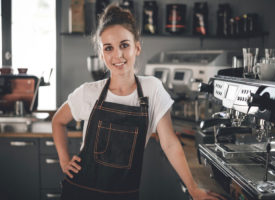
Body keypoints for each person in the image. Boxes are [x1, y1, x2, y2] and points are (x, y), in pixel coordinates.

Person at [52, 3, 226, 200]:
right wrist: (64, 160)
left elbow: (169, 143)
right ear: (102, 54)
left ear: (137, 48)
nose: (117, 55)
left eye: (124, 45)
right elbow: (58, 121)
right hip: (81, 192)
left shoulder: (152, 89)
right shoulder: (89, 92)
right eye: (108, 48)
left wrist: (193, 189)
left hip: (124, 194)